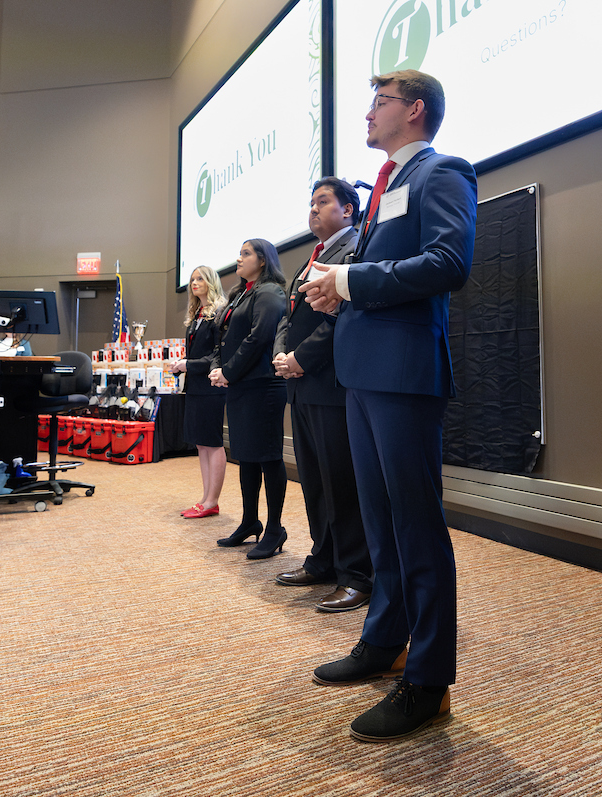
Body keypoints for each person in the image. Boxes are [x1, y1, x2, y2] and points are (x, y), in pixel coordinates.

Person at [301, 70, 478, 741]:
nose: (367, 114)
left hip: (404, 374)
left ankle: (428, 682)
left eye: (379, 103)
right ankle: (385, 643)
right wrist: (339, 293)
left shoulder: (442, 172)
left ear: (415, 110)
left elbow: (448, 263)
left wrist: (348, 279)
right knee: (380, 522)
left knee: (416, 526)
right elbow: (379, 279)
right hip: (363, 373)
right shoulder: (382, 190)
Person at [271, 177, 372, 613]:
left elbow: (340, 320)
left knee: (341, 482)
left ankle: (357, 575)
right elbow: (289, 317)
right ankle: (323, 559)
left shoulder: (354, 253)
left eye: (323, 201)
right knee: (314, 480)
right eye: (311, 202)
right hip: (302, 385)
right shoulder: (310, 258)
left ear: (348, 209)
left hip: (330, 384)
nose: (313, 209)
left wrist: (300, 359)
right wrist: (281, 355)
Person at [208, 239, 288, 559]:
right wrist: (218, 368)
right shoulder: (240, 293)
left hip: (263, 386)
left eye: (245, 254)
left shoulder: (270, 292)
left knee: (268, 457)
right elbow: (223, 337)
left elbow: (259, 339)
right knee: (246, 456)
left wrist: (228, 371)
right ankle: (249, 522)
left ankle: (275, 528)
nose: (238, 259)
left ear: (263, 261)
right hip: (242, 385)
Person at [170, 266, 227, 519]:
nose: (194, 283)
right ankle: (205, 499)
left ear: (211, 282)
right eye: (192, 279)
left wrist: (188, 365)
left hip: (212, 386)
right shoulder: (197, 315)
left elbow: (218, 354)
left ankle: (212, 500)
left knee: (212, 443)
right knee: (201, 444)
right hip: (195, 386)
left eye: (200, 278)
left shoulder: (220, 313)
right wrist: (181, 364)